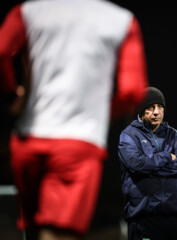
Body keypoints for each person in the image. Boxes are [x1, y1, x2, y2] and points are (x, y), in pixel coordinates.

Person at [0, 0, 148, 239]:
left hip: (27, 141)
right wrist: (99, 113)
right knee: (58, 234)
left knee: (34, 232)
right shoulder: (122, 21)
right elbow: (132, 91)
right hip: (77, 144)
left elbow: (2, 51)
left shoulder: (28, 10)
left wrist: (10, 96)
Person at [118, 87, 177, 240]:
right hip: (144, 220)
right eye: (150, 108)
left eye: (160, 107)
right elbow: (137, 165)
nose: (156, 112)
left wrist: (150, 166)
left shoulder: (174, 135)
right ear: (141, 111)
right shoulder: (128, 135)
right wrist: (166, 157)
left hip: (176, 219)